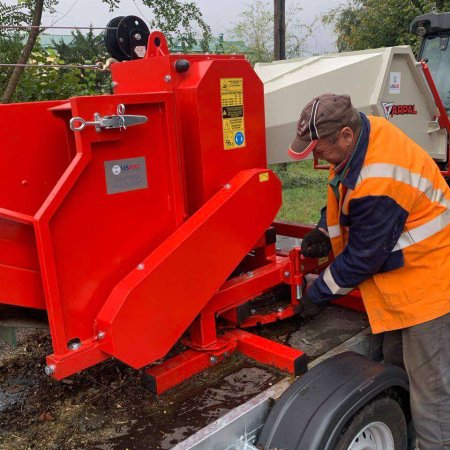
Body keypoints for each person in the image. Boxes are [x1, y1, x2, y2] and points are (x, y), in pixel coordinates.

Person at [289, 93, 450, 450]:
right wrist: (321, 227)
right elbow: (342, 187)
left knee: (431, 392)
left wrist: (317, 295)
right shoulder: (363, 134)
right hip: (404, 276)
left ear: (345, 135)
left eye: (318, 148)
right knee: (396, 361)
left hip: (430, 280)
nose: (315, 156)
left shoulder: (381, 178)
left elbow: (363, 258)